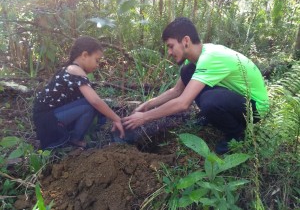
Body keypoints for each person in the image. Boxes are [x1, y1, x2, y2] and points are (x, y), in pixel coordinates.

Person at [123, 17, 269, 154]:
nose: (169, 52)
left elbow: (182, 103)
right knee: (187, 72)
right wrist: (148, 104)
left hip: (255, 108)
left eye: (171, 46)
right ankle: (213, 116)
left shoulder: (210, 58)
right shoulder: (195, 58)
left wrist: (144, 117)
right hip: (238, 99)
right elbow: (177, 90)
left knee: (210, 101)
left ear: (186, 41)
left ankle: (236, 135)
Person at [33, 36, 125, 150]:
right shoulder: (74, 69)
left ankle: (73, 137)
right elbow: (95, 101)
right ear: (84, 55)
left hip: (52, 117)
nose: (97, 65)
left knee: (92, 106)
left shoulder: (69, 69)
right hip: (47, 121)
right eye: (96, 60)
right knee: (89, 105)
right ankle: (74, 140)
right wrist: (116, 119)